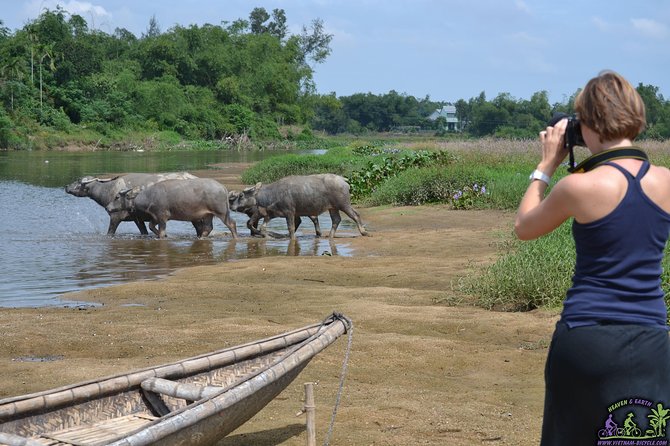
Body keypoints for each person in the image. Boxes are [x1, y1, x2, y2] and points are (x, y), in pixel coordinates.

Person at [514, 70, 670, 444]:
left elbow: (524, 227)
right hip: (651, 338)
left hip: (586, 338)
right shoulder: (666, 180)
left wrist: (546, 165)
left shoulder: (578, 186)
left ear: (588, 122)